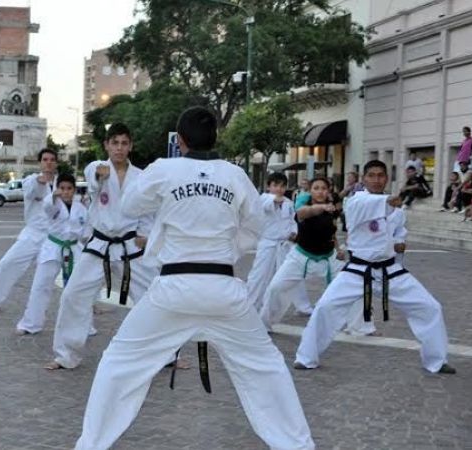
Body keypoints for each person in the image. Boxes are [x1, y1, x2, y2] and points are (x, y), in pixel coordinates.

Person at [74, 107, 314, 450]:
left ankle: (91, 445)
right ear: (216, 137)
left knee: (120, 363)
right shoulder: (235, 174)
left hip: (174, 287)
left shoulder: (164, 169)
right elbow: (258, 227)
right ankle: (298, 446)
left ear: (180, 141)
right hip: (224, 288)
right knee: (266, 367)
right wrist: (230, 246)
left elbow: (129, 207)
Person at [294, 160, 454, 375]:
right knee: (325, 307)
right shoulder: (356, 202)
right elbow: (370, 204)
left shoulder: (397, 211)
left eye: (381, 175)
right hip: (358, 270)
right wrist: (389, 199)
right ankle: (306, 357)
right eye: (371, 175)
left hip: (390, 270)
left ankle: (436, 360)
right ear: (364, 179)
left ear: (386, 178)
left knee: (430, 307)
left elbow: (399, 234)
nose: (376, 179)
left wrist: (399, 243)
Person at [45, 123, 158, 371]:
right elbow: (93, 178)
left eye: (124, 143)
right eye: (114, 143)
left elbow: (149, 209)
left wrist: (145, 233)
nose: (119, 148)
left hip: (130, 245)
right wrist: (100, 175)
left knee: (155, 297)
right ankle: (66, 354)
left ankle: (166, 355)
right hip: (100, 244)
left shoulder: (141, 176)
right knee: (73, 294)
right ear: (106, 145)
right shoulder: (96, 167)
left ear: (131, 146)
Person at [258, 177, 374, 336]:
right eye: (316, 188)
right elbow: (303, 213)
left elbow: (331, 232)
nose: (320, 191)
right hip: (300, 257)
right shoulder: (303, 205)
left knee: (355, 285)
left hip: (328, 258)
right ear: (310, 191)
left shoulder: (332, 209)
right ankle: (265, 323)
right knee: (275, 287)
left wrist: (338, 248)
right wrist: (322, 207)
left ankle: (360, 326)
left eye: (323, 188)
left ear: (328, 190)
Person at [0, 149, 59, 313]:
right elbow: (33, 192)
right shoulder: (30, 180)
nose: (49, 162)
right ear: (40, 162)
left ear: (56, 163)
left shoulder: (62, 184)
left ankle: (90, 305)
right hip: (32, 233)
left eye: (52, 159)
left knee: (73, 269)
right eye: (45, 159)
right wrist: (41, 180)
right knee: (6, 264)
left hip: (54, 237)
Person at [16, 173, 87, 335]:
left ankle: (82, 325)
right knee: (41, 285)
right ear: (57, 189)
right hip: (53, 246)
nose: (66, 191)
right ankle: (31, 323)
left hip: (74, 248)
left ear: (74, 190)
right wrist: (53, 196)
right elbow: (48, 207)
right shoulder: (53, 204)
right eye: (62, 188)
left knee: (77, 288)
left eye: (69, 188)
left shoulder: (81, 209)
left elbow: (86, 230)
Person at [244, 172, 309, 315]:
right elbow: (273, 201)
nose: (279, 189)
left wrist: (294, 232)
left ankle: (303, 306)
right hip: (268, 244)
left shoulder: (288, 203)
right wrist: (281, 198)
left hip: (285, 244)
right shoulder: (263, 198)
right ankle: (250, 304)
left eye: (282, 186)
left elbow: (292, 221)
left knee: (293, 274)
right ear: (269, 187)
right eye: (275, 185)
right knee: (259, 276)